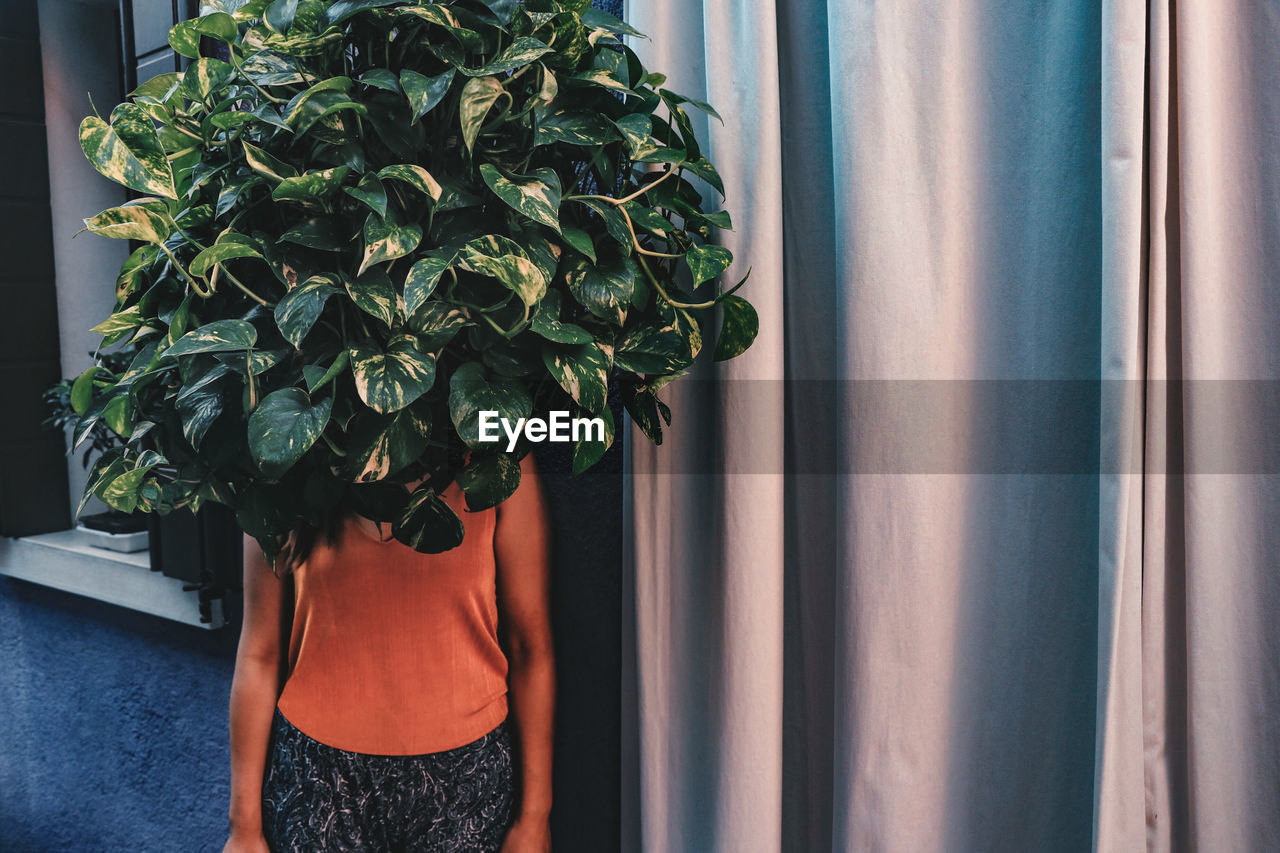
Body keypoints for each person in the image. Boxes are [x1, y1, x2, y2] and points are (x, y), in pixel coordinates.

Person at [220, 453, 555, 853]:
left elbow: (529, 646)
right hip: (318, 782)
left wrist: (535, 818)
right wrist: (243, 829)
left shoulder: (493, 451)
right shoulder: (287, 456)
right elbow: (260, 653)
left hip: (466, 780)